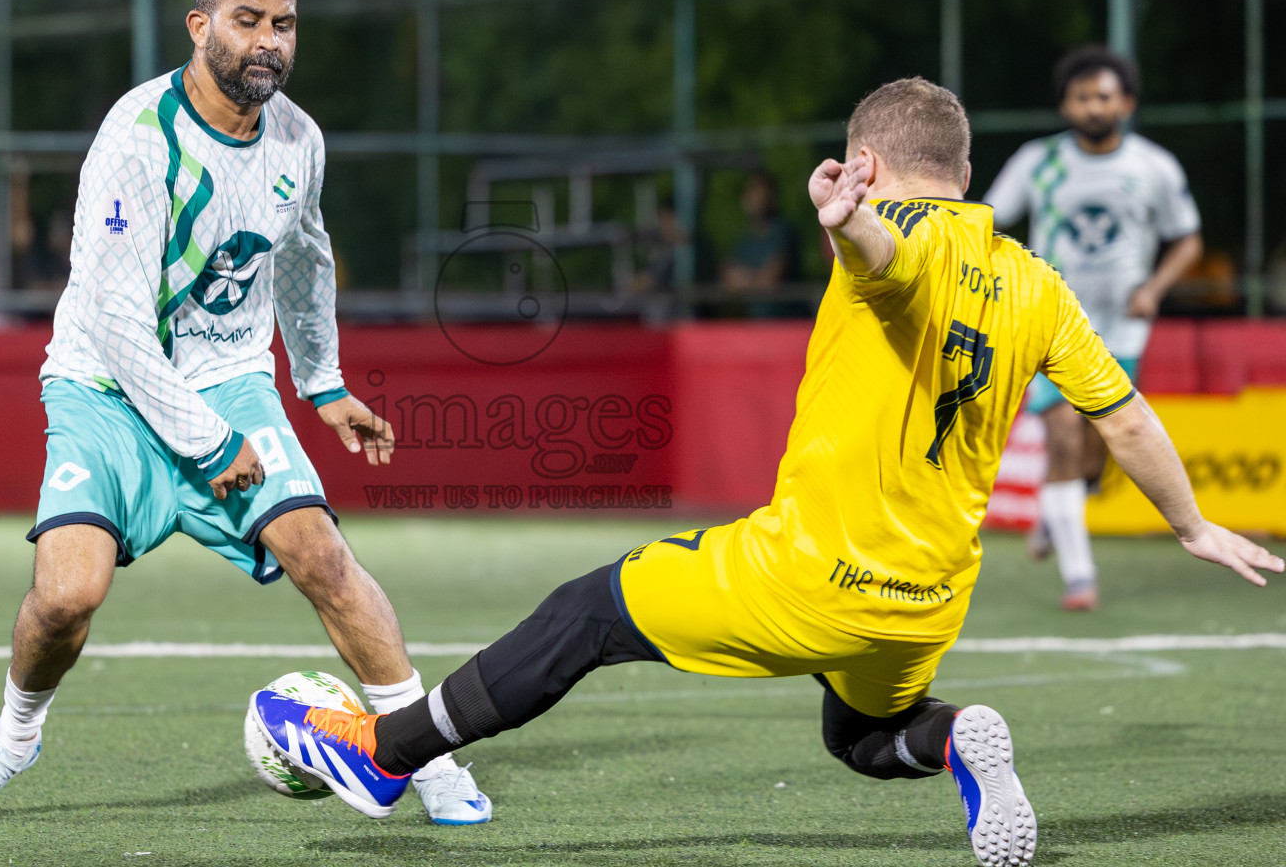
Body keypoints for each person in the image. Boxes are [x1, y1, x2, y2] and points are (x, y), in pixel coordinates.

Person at [248, 79, 1281, 867]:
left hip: (811, 575)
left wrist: (852, 225)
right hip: (928, 600)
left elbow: (892, 264)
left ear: (866, 161)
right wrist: (1190, 524)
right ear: (965, 169)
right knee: (864, 735)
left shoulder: (893, 238)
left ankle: (387, 753)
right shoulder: (1035, 282)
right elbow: (1126, 415)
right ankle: (960, 737)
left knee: (588, 612)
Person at [0, 0, 490, 826]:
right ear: (201, 27)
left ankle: (426, 755)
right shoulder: (139, 136)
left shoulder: (299, 139)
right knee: (68, 595)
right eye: (248, 21)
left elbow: (303, 261)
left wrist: (324, 382)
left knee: (323, 555)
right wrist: (210, 444)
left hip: (226, 378)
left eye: (284, 25)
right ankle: (12, 740)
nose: (268, 42)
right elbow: (113, 320)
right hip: (106, 385)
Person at [983, 46, 1202, 610]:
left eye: (1104, 96)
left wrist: (1153, 288)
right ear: (1065, 104)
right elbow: (988, 221)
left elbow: (1188, 239)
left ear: (1125, 102)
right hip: (1052, 319)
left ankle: (1060, 511)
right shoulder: (1038, 161)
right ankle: (1080, 577)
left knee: (1097, 450)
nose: (1092, 106)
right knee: (1062, 436)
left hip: (1122, 327)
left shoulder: (1154, 166)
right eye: (1081, 97)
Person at [720, 170, 800, 316]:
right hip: (756, 327)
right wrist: (756, 280)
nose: (749, 196)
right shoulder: (745, 239)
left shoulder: (784, 231)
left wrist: (744, 281)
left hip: (786, 325)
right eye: (746, 190)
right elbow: (728, 278)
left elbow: (770, 281)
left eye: (755, 189)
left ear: (771, 195)